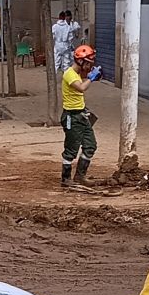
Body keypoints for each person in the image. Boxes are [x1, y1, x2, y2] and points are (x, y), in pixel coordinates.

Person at [59, 44, 100, 189]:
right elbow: (81, 88)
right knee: (71, 149)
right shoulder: (69, 74)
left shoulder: (77, 74)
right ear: (81, 61)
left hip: (82, 115)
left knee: (90, 146)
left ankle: (80, 176)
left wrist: (90, 77)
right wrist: (91, 78)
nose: (90, 66)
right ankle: (65, 178)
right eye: (88, 63)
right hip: (72, 117)